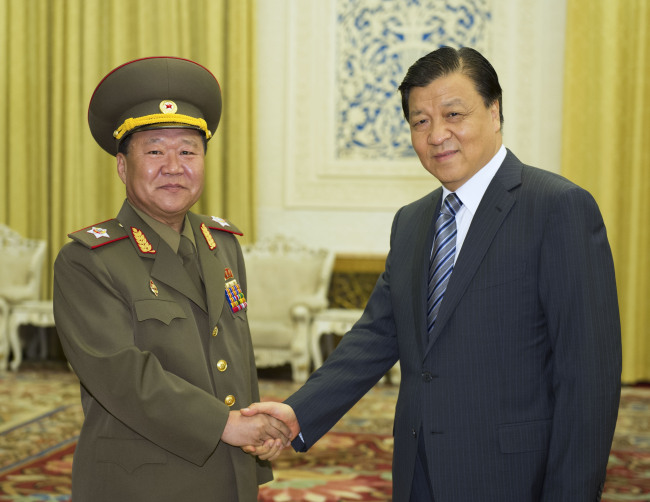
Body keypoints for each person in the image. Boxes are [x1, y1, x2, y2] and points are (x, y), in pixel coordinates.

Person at [242, 46, 622, 501]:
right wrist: (297, 413)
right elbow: (376, 336)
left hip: (515, 477)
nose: (437, 134)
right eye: (420, 121)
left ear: (495, 111)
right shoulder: (412, 221)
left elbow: (589, 378)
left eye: (453, 114)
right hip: (419, 472)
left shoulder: (557, 208)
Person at [53, 57, 288, 502]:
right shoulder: (88, 261)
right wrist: (228, 425)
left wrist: (254, 442)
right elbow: (123, 377)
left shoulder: (222, 243)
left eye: (187, 151)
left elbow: (233, 353)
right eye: (155, 150)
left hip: (229, 470)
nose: (174, 166)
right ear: (123, 166)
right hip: (143, 481)